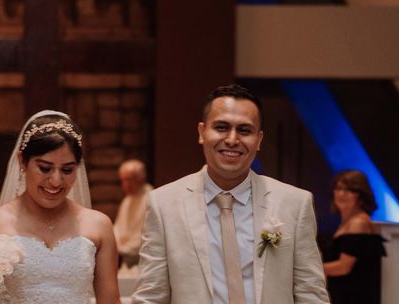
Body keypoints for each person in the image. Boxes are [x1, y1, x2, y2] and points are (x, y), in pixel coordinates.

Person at [132, 84, 329, 304]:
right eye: (221, 127)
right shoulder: (164, 204)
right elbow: (151, 295)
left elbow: (311, 293)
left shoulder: (294, 203)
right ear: (201, 132)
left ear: (259, 140)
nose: (232, 140)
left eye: (244, 130)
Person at [0, 110, 120, 304]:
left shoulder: (98, 225)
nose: (56, 181)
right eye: (45, 168)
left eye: (67, 170)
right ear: (22, 161)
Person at [323, 170, 386, 304]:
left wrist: (310, 269)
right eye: (338, 188)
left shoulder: (358, 223)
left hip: (355, 298)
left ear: (361, 195)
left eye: (349, 190)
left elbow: (343, 267)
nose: (342, 194)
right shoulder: (347, 223)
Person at [113, 159, 153, 269]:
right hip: (123, 255)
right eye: (123, 180)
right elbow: (118, 228)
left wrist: (126, 249)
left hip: (140, 259)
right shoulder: (127, 200)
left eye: (129, 180)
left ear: (140, 179)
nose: (125, 185)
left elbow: (147, 233)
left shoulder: (151, 199)